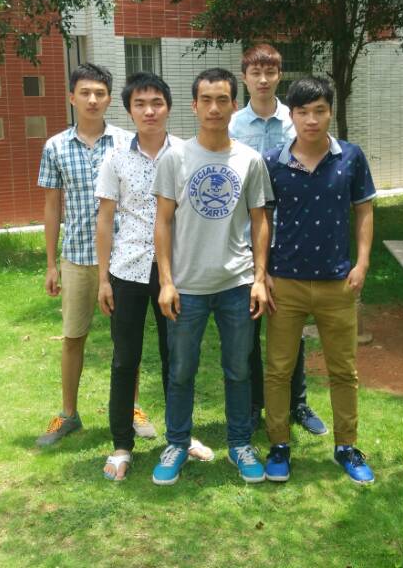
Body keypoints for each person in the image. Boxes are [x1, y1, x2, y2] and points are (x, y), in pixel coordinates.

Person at [149, 67, 272, 485]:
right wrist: (166, 281)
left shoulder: (250, 160)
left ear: (235, 105)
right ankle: (177, 443)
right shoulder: (175, 158)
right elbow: (163, 222)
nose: (214, 108)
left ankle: (240, 443)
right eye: (206, 100)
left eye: (222, 100)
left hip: (236, 284)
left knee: (239, 370)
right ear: (194, 105)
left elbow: (260, 221)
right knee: (181, 371)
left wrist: (259, 278)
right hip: (187, 286)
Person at [94, 72, 213, 480]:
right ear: (129, 110)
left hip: (174, 272)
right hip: (127, 270)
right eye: (140, 104)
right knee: (124, 359)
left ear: (169, 108)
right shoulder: (115, 158)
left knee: (176, 358)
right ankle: (121, 445)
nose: (149, 111)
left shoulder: (187, 154)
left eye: (157, 103)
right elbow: (105, 220)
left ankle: (180, 437)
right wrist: (103, 279)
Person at [261, 77, 377, 484]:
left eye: (319, 111)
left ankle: (347, 446)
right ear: (291, 115)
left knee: (343, 370)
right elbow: (263, 220)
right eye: (302, 112)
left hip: (337, 283)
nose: (311, 119)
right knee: (278, 370)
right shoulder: (273, 162)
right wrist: (262, 273)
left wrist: (362, 264)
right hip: (285, 284)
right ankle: (279, 445)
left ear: (330, 112)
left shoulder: (351, 157)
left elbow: (364, 210)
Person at [35, 63, 135, 446]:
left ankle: (132, 409)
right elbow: (51, 207)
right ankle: (68, 414)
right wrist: (50, 264)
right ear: (72, 98)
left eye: (100, 93)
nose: (92, 100)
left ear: (109, 99)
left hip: (123, 258)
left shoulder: (127, 142)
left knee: (125, 340)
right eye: (85, 93)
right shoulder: (56, 147)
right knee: (73, 336)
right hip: (76, 257)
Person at [229, 44, 326, 436]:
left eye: (270, 72)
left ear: (280, 75)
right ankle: (255, 404)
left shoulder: (296, 119)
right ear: (245, 77)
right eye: (256, 73)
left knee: (291, 326)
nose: (263, 79)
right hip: (244, 237)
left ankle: (297, 403)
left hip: (290, 236)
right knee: (249, 328)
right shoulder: (233, 125)